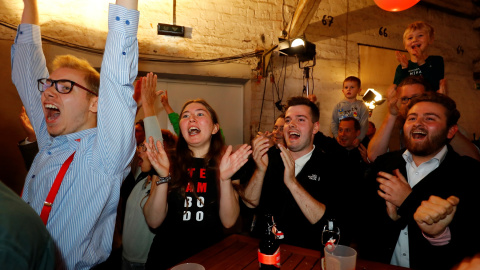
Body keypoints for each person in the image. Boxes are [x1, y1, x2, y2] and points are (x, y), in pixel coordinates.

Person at [11, 0, 140, 268]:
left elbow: (116, 79)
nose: (48, 91)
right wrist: (30, 4)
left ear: (96, 103)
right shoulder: (51, 140)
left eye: (65, 86)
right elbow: (26, 69)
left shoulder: (104, 155)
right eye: (48, 85)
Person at [359, 93, 480, 270]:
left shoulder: (469, 174)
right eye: (412, 118)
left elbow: (468, 245)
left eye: (430, 118)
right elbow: (362, 224)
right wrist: (395, 219)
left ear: (451, 131)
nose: (417, 123)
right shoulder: (385, 164)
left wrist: (408, 202)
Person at [142, 99, 252, 269]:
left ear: (215, 128)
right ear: (182, 128)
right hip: (166, 257)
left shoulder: (228, 163)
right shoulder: (167, 160)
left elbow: (229, 222)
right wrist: (163, 176)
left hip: (209, 257)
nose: (192, 118)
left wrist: (224, 179)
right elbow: (153, 221)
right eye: (185, 116)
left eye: (200, 114)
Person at [243, 96, 348, 250]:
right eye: (287, 120)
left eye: (301, 120)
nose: (291, 124)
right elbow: (249, 205)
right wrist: (260, 170)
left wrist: (292, 183)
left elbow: (326, 221)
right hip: (265, 250)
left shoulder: (330, 165)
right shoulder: (269, 157)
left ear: (315, 128)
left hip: (306, 254)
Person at [367, 75, 480, 162]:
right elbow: (374, 156)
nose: (410, 103)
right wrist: (391, 115)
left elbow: (473, 158)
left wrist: (444, 113)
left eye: (417, 97)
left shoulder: (446, 126)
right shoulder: (393, 127)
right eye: (405, 99)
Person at [121, 72, 164, 270]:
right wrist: (135, 105)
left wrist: (148, 106)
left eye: (144, 148)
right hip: (125, 258)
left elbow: (156, 146)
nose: (140, 151)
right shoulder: (141, 178)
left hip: (144, 263)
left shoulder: (161, 183)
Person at [394, 21, 444, 92]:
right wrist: (404, 69)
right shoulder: (401, 68)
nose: (414, 40)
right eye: (410, 38)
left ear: (431, 39)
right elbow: (399, 91)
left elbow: (434, 86)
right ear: (405, 45)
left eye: (420, 35)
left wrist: (421, 62)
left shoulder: (436, 61)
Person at [331, 76, 369, 142]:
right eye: (346, 87)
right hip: (341, 139)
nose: (348, 89)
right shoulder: (338, 106)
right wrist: (337, 136)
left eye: (352, 87)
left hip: (356, 139)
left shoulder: (362, 106)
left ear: (359, 90)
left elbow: (364, 125)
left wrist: (359, 139)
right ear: (343, 91)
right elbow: (334, 122)